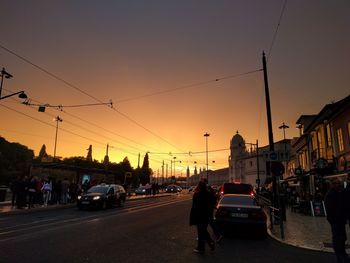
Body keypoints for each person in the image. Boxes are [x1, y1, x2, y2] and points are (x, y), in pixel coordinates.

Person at [325, 179, 349, 263]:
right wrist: (332, 219)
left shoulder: (340, 193)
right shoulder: (330, 194)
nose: (338, 185)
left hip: (341, 220)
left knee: (342, 238)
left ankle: (343, 255)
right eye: (336, 183)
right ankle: (340, 257)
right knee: (337, 239)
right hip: (335, 220)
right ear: (332, 184)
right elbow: (330, 210)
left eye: (339, 183)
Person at [189, 180, 215, 253]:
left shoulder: (197, 194)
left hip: (199, 216)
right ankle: (210, 243)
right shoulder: (208, 194)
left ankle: (201, 248)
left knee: (201, 232)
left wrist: (193, 217)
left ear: (199, 186)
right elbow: (211, 204)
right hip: (206, 215)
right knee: (203, 231)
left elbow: (194, 206)